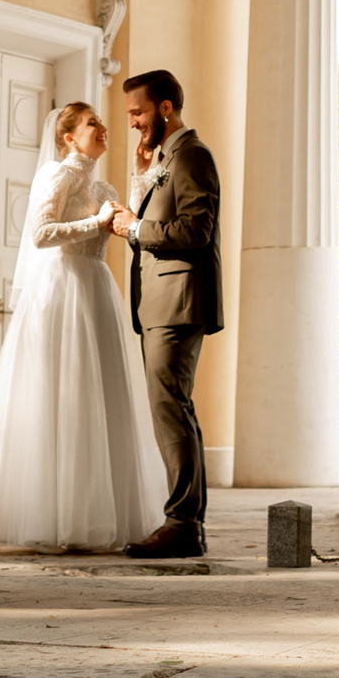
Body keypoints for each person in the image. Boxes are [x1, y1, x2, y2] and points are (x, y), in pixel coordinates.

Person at [0, 102, 166, 552]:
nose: (103, 128)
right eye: (93, 124)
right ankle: (50, 515)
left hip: (95, 289)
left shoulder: (102, 183)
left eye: (102, 122)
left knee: (98, 398)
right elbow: (40, 233)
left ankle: (94, 513)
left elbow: (124, 218)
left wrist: (140, 174)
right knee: (62, 395)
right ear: (69, 137)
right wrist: (96, 221)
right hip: (63, 288)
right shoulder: (58, 175)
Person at [109, 68, 221, 559]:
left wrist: (135, 230)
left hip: (178, 301)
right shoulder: (165, 158)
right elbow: (160, 214)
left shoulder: (192, 155)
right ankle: (183, 521)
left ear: (166, 108)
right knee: (170, 408)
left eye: (137, 111)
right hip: (159, 303)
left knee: (171, 409)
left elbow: (195, 229)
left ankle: (182, 525)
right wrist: (141, 178)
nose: (132, 121)